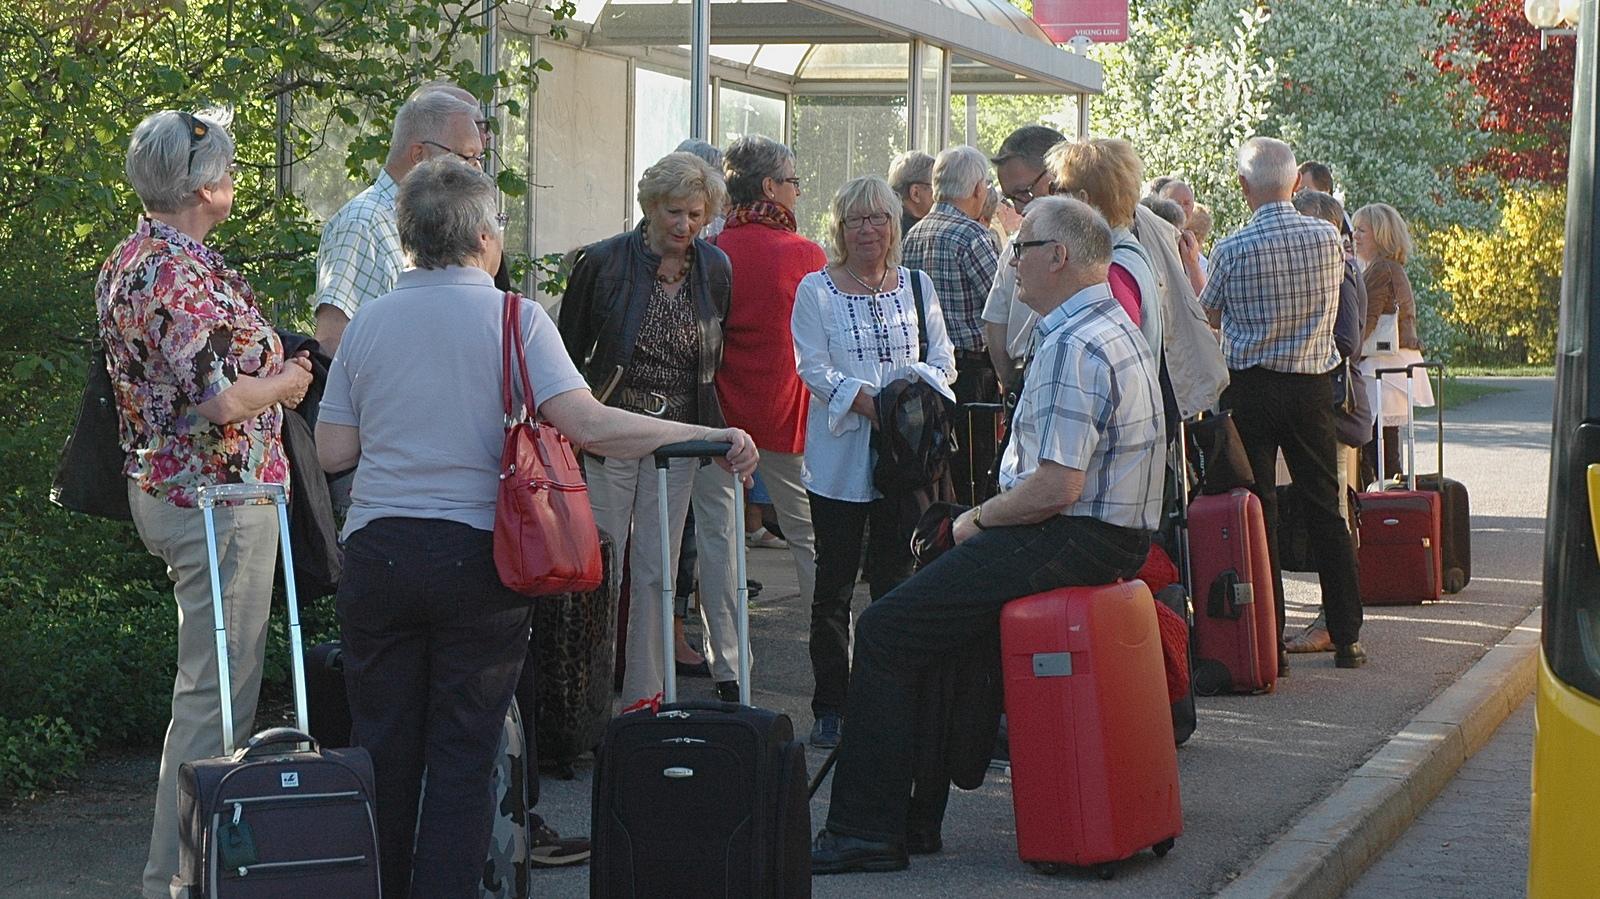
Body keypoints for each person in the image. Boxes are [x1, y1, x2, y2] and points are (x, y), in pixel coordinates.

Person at [316, 159, 756, 897]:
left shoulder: (367, 326)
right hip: (476, 558)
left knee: (382, 748)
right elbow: (587, 423)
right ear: (486, 236)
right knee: (463, 755)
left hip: (380, 553)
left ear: (407, 237)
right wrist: (700, 433)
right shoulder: (516, 318)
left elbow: (334, 452)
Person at [810, 196, 1163, 874]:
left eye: (1021, 248)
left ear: (1057, 257)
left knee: (884, 629)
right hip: (1101, 533)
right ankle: (913, 821)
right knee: (931, 631)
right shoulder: (1112, 323)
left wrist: (969, 521)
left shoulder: (1074, 340)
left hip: (1073, 532)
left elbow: (1055, 487)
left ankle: (862, 831)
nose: (1013, 261)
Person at [99, 110, 314, 899]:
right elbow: (221, 401)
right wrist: (288, 383)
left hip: (178, 487)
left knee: (213, 689)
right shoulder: (173, 273)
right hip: (214, 495)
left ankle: (190, 870)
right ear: (203, 184)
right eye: (226, 167)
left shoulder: (136, 258)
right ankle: (178, 878)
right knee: (216, 696)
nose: (233, 180)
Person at [559, 151, 745, 710]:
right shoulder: (603, 262)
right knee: (601, 568)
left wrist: (708, 433)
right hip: (612, 431)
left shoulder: (715, 268)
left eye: (695, 213)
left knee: (659, 574)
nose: (684, 225)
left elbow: (712, 360)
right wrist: (575, 427)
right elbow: (569, 351)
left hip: (678, 440)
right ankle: (584, 701)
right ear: (648, 206)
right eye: (673, 212)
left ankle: (646, 697)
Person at [791, 174, 957, 749]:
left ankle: (889, 696)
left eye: (879, 218)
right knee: (833, 587)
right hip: (840, 458)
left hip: (906, 463)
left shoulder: (916, 286)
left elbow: (943, 359)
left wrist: (905, 407)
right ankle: (831, 705)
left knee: (895, 581)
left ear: (895, 225)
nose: (869, 229)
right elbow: (813, 367)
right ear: (840, 228)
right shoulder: (816, 289)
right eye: (857, 219)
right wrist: (875, 407)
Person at [1199, 136, 1366, 671]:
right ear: (1296, 184)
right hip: (1311, 386)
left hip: (1248, 387)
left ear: (1243, 187)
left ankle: (1267, 640)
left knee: (1259, 508)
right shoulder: (1326, 238)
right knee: (1324, 507)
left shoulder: (1229, 249)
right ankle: (1346, 635)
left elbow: (1211, 316)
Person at [714, 135, 826, 612]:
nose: (797, 192)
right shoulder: (805, 255)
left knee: (720, 540)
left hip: (719, 413)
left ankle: (729, 663)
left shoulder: (714, 249)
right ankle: (830, 639)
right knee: (806, 534)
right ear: (769, 186)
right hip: (785, 410)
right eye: (793, 182)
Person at [311, 89, 484, 357]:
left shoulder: (436, 224)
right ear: (418, 155)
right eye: (466, 157)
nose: (476, 171)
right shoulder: (362, 223)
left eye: (479, 159)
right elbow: (332, 342)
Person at [1286, 189, 1370, 654]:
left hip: (1330, 406)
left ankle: (1334, 625)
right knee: (1326, 512)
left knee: (1332, 514)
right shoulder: (1331, 265)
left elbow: (1347, 339)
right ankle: (1336, 626)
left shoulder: (1339, 267)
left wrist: (1304, 350)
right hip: (1320, 404)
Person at [902, 146, 1000, 505]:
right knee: (975, 472)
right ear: (977, 189)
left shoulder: (913, 234)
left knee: (935, 465)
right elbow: (1000, 306)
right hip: (971, 371)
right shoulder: (974, 236)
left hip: (925, 369)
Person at [982, 124, 1065, 395]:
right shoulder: (1017, 242)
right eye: (1010, 198)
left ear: (1057, 176)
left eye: (1024, 192)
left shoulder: (1091, 241)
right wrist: (1010, 384)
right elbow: (994, 319)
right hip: (1027, 379)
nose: (1019, 207)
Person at [1353, 202, 1433, 482]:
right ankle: (1391, 508)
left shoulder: (1380, 270)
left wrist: (1344, 354)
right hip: (1394, 366)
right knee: (1386, 445)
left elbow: (1367, 322)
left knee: (1375, 447)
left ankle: (1378, 507)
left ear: (1381, 235)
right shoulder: (1388, 267)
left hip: (1381, 367)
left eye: (1362, 230)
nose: (1355, 236)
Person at [887, 150, 936, 235]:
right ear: (915, 193)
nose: (940, 194)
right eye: (936, 187)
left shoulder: (885, 225)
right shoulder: (922, 234)